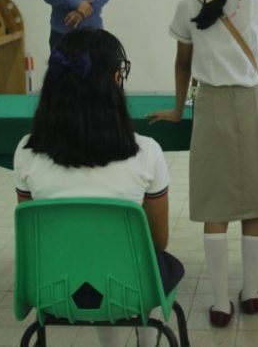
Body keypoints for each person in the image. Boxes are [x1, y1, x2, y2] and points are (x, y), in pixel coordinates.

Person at [147, 0, 258, 328]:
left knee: (215, 204)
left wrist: (177, 110)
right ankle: (252, 294)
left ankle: (221, 304)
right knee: (254, 203)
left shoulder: (187, 5)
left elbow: (182, 64)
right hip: (253, 105)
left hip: (209, 106)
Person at [13, 28, 181, 347]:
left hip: (53, 288)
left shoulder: (25, 152)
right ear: (116, 81)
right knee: (147, 262)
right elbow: (157, 241)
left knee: (97, 261)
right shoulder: (146, 153)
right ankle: (148, 340)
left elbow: (33, 236)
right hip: (132, 288)